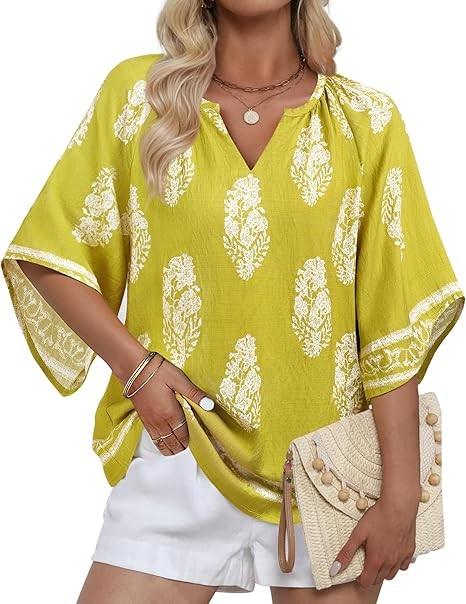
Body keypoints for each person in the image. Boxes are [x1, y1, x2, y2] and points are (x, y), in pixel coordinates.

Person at [1, 1, 464, 602]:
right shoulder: (141, 98)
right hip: (179, 452)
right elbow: (49, 253)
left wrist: (401, 497)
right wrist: (137, 370)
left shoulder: (365, 121)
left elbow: (389, 323)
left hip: (326, 476)